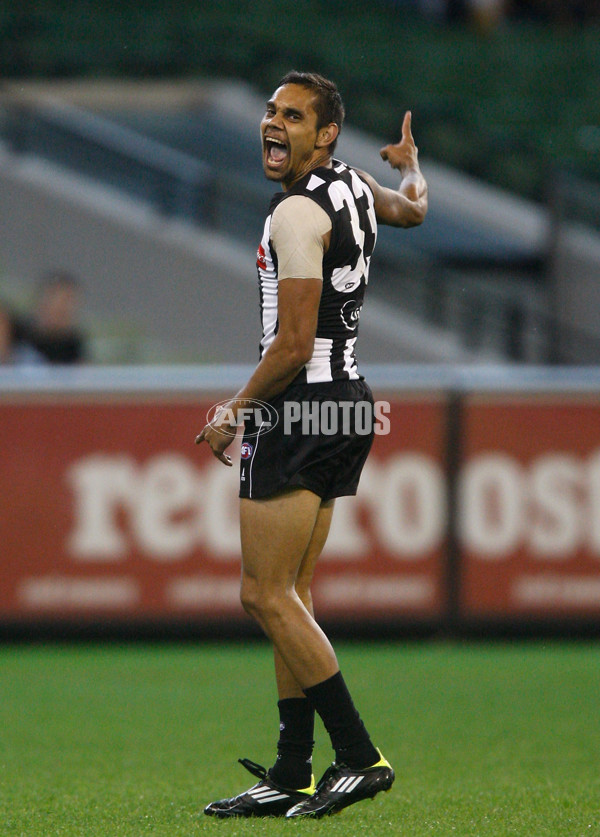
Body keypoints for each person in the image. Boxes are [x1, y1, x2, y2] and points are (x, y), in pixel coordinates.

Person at [195, 71, 427, 819]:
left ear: (324, 132)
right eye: (269, 110)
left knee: (262, 593)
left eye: (292, 115)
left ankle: (358, 756)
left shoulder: (297, 213)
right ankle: (293, 766)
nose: (273, 123)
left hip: (299, 406)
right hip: (349, 402)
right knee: (290, 595)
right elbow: (414, 211)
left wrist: (234, 410)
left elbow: (293, 345)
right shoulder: (355, 184)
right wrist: (410, 166)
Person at [26, 271, 86, 364]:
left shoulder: (75, 346)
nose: (66, 308)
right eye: (60, 301)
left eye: (70, 302)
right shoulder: (18, 341)